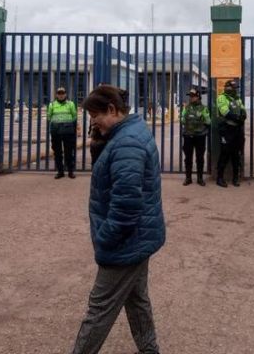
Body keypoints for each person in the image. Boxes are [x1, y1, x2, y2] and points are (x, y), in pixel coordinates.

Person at [71, 84, 165, 354]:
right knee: (136, 299)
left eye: (95, 117)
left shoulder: (126, 144)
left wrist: (105, 239)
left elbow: (126, 205)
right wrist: (99, 143)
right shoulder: (128, 133)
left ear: (112, 109)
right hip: (139, 236)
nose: (94, 124)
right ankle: (149, 350)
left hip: (126, 240)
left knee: (99, 309)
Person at [216, 79, 246, 188]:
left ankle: (235, 178)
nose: (235, 90)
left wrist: (242, 117)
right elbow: (225, 112)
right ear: (227, 87)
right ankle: (219, 178)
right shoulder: (222, 98)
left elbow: (243, 111)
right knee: (224, 154)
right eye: (233, 88)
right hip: (227, 129)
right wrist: (237, 117)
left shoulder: (237, 99)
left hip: (237, 129)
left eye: (236, 88)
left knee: (236, 155)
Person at [180, 88, 211, 186]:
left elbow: (208, 121)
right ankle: (188, 178)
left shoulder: (204, 108)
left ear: (198, 97)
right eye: (190, 96)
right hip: (188, 136)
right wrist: (183, 118)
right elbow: (182, 119)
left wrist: (203, 117)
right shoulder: (186, 108)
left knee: (200, 158)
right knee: (188, 158)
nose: (191, 98)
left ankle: (200, 178)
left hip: (200, 136)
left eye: (193, 96)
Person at [47, 87, 78, 179]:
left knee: (69, 152)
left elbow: (74, 116)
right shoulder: (52, 104)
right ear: (56, 95)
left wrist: (67, 124)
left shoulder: (70, 104)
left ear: (65, 94)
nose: (61, 95)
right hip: (56, 131)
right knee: (57, 152)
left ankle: (70, 171)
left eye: (62, 93)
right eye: (59, 93)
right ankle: (60, 171)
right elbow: (49, 117)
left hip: (67, 131)